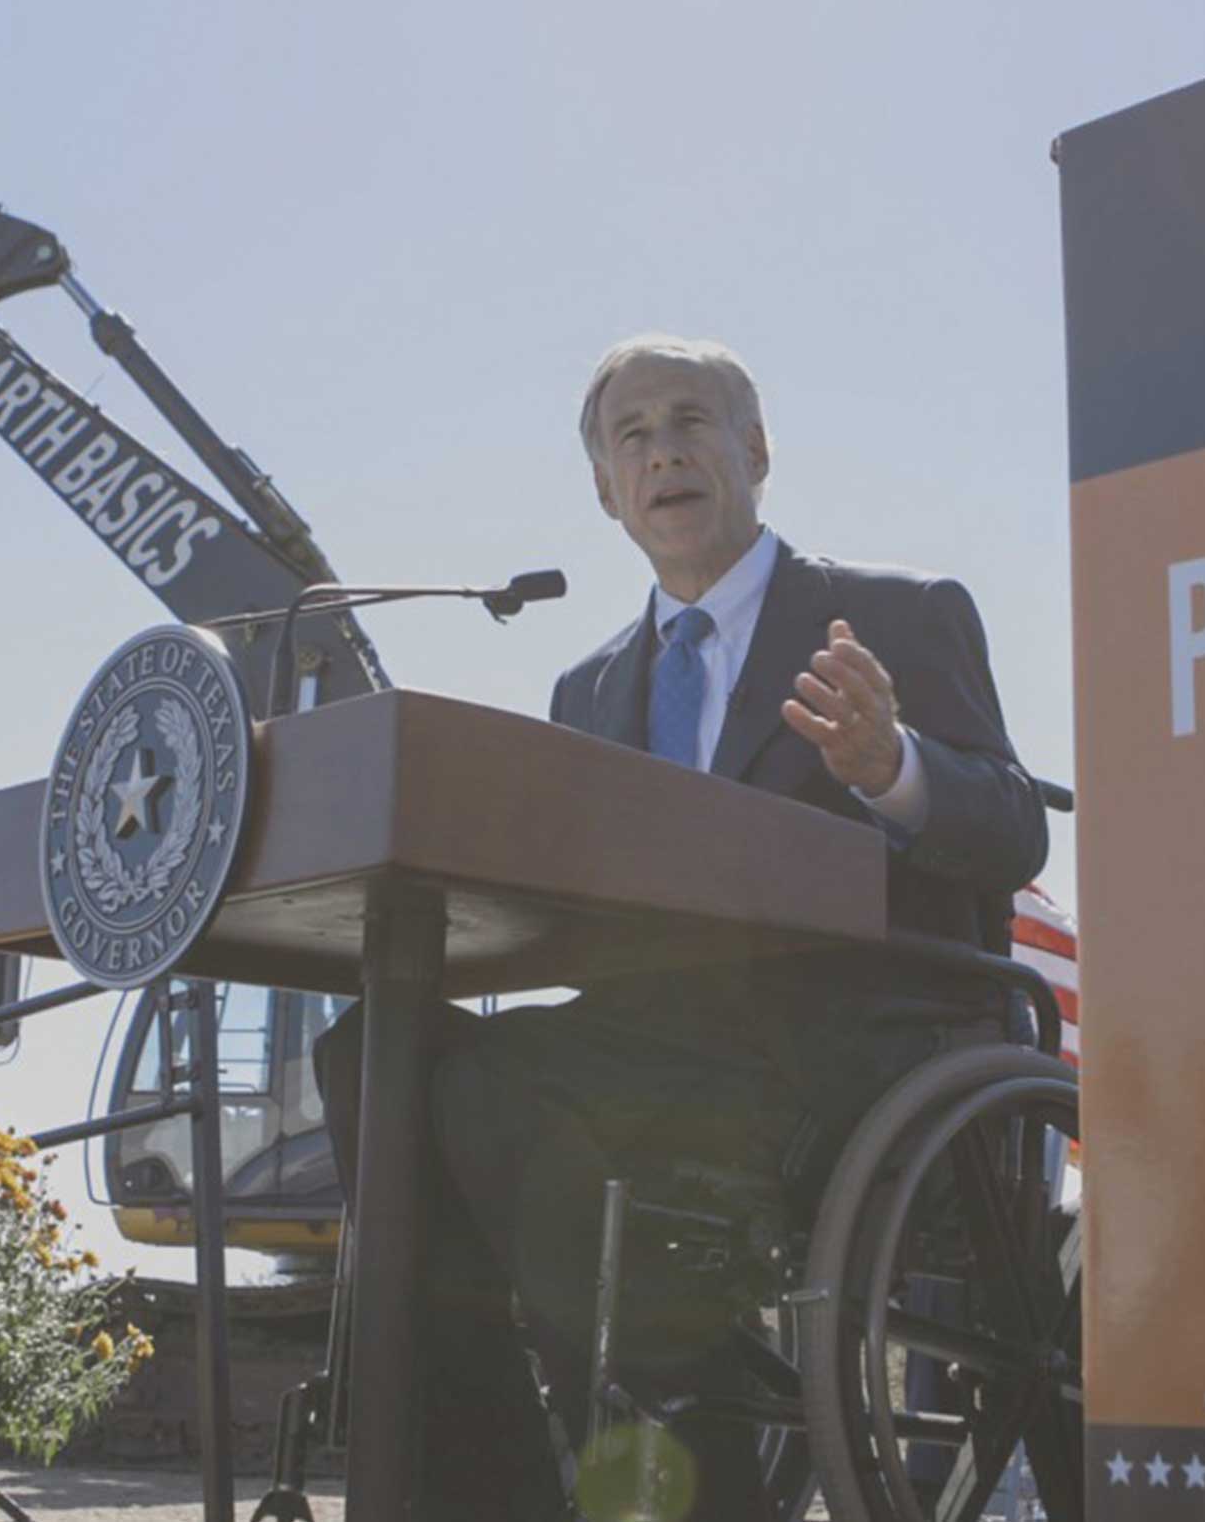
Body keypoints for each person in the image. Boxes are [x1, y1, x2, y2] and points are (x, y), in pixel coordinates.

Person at [314, 334, 1047, 1522]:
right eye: (632, 434)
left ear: (753, 450)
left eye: (691, 420)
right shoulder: (585, 690)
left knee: (509, 1095)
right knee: (372, 1050)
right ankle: (483, 1491)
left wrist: (889, 766)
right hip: (645, 1050)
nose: (664, 451)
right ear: (606, 490)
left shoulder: (895, 613)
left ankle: (689, 1432)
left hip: (850, 1058)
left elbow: (1012, 828)